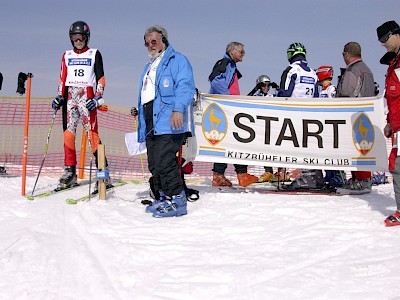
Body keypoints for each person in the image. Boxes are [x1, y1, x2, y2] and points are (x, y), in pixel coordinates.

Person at [136, 25, 195, 218]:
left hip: (169, 120)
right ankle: (163, 196)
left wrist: (178, 109)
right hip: (150, 120)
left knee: (165, 160)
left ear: (164, 40)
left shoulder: (177, 60)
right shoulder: (148, 65)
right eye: (146, 43)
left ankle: (178, 199)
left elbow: (185, 86)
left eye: (154, 41)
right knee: (154, 163)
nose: (150, 45)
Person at [51, 21, 112, 194]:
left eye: (81, 37)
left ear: (87, 37)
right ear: (70, 38)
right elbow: (62, 78)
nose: (78, 40)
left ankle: (104, 173)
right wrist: (59, 96)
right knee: (68, 136)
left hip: (87, 97)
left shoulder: (94, 53)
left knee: (92, 136)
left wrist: (98, 97)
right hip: (70, 98)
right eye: (75, 37)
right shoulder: (66, 55)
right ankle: (70, 172)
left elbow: (100, 78)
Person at [209, 42, 259, 187]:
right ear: (232, 51)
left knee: (233, 140)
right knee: (237, 139)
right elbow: (215, 80)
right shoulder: (224, 63)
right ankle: (236, 175)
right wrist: (228, 99)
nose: (243, 54)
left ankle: (233, 175)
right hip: (225, 109)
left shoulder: (231, 66)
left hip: (229, 108)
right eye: (242, 51)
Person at [277, 42, 323, 190]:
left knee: (298, 146)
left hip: (294, 114)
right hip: (311, 115)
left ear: (290, 54)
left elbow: (284, 93)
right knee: (309, 145)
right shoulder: (312, 72)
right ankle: (316, 175)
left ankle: (307, 177)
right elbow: (316, 95)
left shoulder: (291, 70)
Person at [336, 42, 375, 190]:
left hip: (353, 116)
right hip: (367, 115)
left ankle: (360, 180)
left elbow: (346, 94)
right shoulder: (367, 70)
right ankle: (363, 178)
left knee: (354, 148)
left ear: (346, 54)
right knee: (363, 147)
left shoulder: (353, 70)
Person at [376, 20, 400, 226]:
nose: (382, 43)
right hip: (398, 125)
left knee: (398, 166)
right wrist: (390, 122)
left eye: (385, 39)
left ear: (395, 34)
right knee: (396, 166)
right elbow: (393, 98)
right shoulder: (394, 63)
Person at [247, 75, 284, 182]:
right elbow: (246, 99)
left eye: (268, 85)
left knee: (279, 149)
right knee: (263, 150)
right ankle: (269, 172)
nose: (266, 87)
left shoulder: (272, 95)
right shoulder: (256, 95)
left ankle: (281, 172)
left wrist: (276, 87)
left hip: (275, 126)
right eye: (263, 85)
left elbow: (284, 95)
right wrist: (256, 88)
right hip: (262, 128)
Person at [315, 66, 345, 187]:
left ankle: (338, 175)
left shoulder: (331, 89)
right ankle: (329, 173)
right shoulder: (322, 90)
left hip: (331, 125)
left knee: (334, 151)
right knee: (325, 152)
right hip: (323, 126)